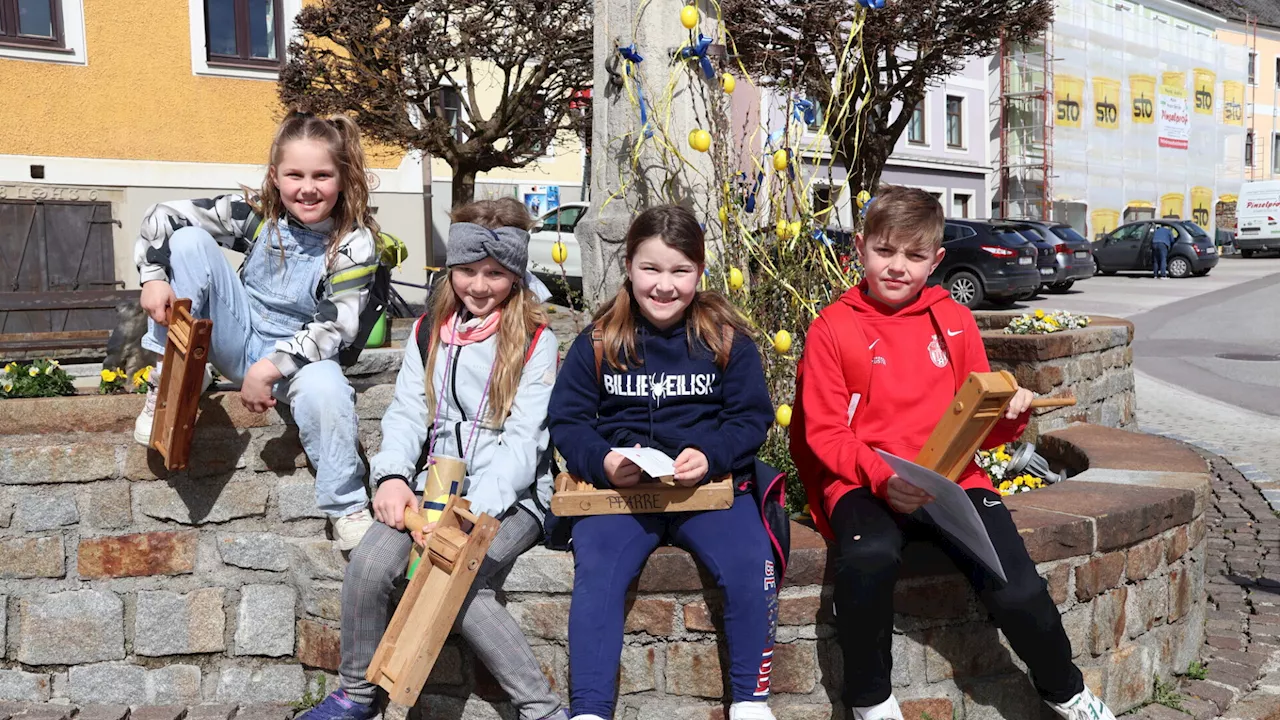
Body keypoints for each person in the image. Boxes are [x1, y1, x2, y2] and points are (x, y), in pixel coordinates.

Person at [792, 186, 1117, 720]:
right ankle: (870, 700)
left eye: (915, 256)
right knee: (868, 557)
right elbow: (824, 433)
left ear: (936, 260)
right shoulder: (833, 327)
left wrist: (1012, 412)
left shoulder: (956, 320)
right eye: (885, 251)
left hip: (953, 483)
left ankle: (1066, 690)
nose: (897, 267)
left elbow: (980, 430)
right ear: (860, 247)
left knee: (1016, 588)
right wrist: (879, 478)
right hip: (863, 481)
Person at [300, 198, 567, 720]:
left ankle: (542, 710)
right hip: (433, 485)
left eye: (495, 273)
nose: (480, 285)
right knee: (371, 566)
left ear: (515, 274)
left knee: (456, 581)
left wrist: (466, 517)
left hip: (508, 500)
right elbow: (405, 413)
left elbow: (523, 446)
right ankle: (357, 695)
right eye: (468, 271)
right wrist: (394, 477)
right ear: (451, 271)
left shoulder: (537, 340)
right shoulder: (430, 331)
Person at [549, 205, 779, 720]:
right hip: (624, 495)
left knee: (750, 564)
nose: (664, 285)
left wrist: (712, 453)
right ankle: (588, 710)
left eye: (680, 271)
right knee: (598, 571)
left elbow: (750, 417)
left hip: (710, 490)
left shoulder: (725, 340)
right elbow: (568, 420)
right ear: (628, 266)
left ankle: (750, 702)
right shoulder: (600, 341)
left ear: (700, 272)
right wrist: (603, 460)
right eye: (651, 269)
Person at [132, 111, 380, 550]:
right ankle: (171, 376)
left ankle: (346, 505)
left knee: (329, 389)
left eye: (322, 175)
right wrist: (153, 275)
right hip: (240, 331)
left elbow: (334, 326)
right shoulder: (257, 216)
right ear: (275, 176)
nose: (308, 187)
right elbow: (163, 213)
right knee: (189, 241)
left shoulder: (353, 244)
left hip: (298, 357)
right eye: (295, 174)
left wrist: (269, 369)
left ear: (343, 178)